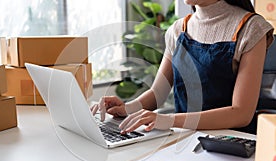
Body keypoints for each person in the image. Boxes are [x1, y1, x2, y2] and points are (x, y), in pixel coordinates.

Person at [91, 0, 274, 135]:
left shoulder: (251, 28)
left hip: (231, 143)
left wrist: (168, 120)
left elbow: (241, 113)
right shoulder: (178, 30)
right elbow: (158, 93)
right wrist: (127, 108)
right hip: (184, 139)